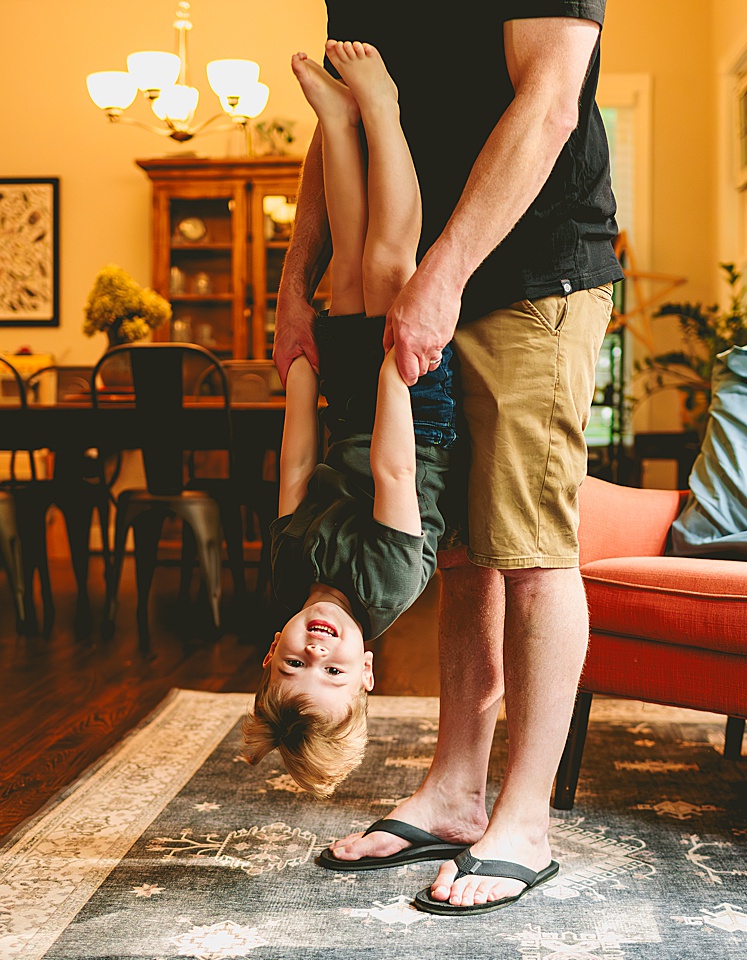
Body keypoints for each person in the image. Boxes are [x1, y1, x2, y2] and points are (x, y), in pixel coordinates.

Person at [274, 3, 622, 916]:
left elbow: (550, 100)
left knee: (532, 552)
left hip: (528, 269)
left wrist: (445, 273)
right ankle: (455, 793)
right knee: (461, 553)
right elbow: (335, 123)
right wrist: (293, 281)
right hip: (413, 274)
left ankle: (526, 822)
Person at [240, 40, 457, 799]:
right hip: (413, 415)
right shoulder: (387, 584)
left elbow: (297, 472)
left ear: (271, 650)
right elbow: (396, 470)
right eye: (334, 671)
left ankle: (338, 123)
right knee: (392, 267)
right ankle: (382, 108)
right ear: (366, 671)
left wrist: (300, 375)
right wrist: (395, 358)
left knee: (345, 274)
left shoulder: (286, 581)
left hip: (349, 412)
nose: (316, 651)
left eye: (297, 663)